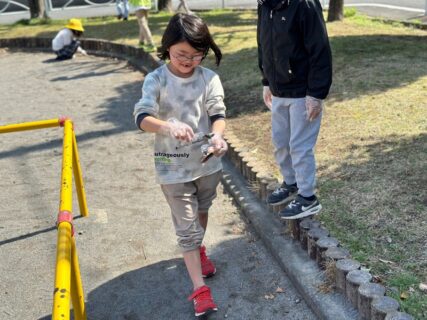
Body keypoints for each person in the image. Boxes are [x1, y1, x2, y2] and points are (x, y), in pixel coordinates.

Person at [133, 13, 227, 317]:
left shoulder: (208, 78)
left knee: (203, 209)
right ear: (167, 48)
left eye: (196, 54)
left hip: (206, 163)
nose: (188, 60)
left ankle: (199, 250)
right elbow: (142, 118)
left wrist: (218, 138)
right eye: (181, 54)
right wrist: (167, 127)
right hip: (171, 167)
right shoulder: (156, 79)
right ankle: (200, 289)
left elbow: (217, 114)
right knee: (186, 228)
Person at [257, 0, 332, 220]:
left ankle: (308, 197)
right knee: (280, 142)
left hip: (303, 92)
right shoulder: (264, 4)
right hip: (278, 89)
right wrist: (266, 80)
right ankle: (290, 183)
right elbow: (263, 43)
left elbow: (320, 49)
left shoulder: (304, 4)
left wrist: (316, 94)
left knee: (299, 147)